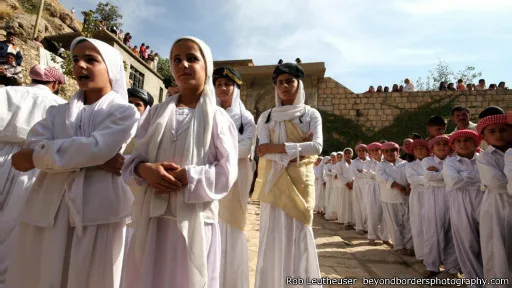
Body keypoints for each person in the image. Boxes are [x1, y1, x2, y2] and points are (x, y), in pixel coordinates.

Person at [7, 37, 139, 288]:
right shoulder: (56, 112)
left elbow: (100, 147)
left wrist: (40, 157)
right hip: (48, 208)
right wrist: (91, 158)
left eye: (90, 59)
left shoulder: (124, 112)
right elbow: (24, 153)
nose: (80, 65)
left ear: (110, 68)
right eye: (76, 59)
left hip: (96, 213)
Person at [121, 37, 238, 288]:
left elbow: (227, 172)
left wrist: (189, 176)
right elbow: (132, 159)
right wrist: (146, 170)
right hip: (153, 221)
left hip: (194, 222)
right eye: (176, 59)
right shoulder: (155, 113)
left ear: (206, 66)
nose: (183, 64)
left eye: (192, 58)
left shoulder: (218, 118)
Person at [252, 61, 323, 288]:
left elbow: (317, 147)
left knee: (300, 230)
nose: (284, 86)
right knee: (272, 233)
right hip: (275, 181)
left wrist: (279, 148)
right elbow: (263, 150)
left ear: (298, 84)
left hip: (301, 182)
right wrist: (295, 149)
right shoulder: (266, 117)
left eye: (289, 81)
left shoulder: (310, 114)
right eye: (280, 82)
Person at [0, 65, 66, 288]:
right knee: (15, 228)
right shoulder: (60, 107)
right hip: (31, 163)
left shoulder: (6, 92)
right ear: (55, 85)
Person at [213, 66, 255, 288]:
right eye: (218, 84)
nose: (222, 88)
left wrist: (217, 152)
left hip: (235, 179)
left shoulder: (245, 118)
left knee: (231, 224)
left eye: (227, 84)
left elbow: (246, 148)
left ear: (236, 88)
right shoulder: (209, 113)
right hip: (211, 177)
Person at [443, 130, 484, 282]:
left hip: (484, 201)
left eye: (467, 140)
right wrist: (477, 178)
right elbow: (453, 181)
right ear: (453, 145)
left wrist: (464, 176)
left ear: (476, 143)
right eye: (458, 141)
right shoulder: (450, 162)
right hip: (460, 204)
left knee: (487, 240)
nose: (463, 144)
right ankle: (473, 280)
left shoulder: (483, 159)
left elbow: (488, 178)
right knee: (467, 242)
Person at [476, 114, 512, 286]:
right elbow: (496, 183)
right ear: (484, 137)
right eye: (492, 131)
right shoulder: (484, 157)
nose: (499, 134)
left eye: (504, 130)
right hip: (495, 205)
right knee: (495, 246)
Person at [421, 135, 460, 278]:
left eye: (445, 144)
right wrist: (450, 174)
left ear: (450, 147)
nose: (442, 147)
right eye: (438, 144)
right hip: (433, 198)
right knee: (433, 232)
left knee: (453, 231)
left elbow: (453, 177)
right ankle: (432, 266)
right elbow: (429, 176)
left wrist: (439, 173)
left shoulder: (454, 160)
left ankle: (452, 267)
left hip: (452, 195)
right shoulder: (427, 160)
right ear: (432, 148)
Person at [377, 142, 413, 256]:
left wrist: (408, 186)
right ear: (382, 153)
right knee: (394, 224)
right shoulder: (381, 165)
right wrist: (398, 186)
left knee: (408, 223)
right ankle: (399, 246)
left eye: (393, 150)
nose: (390, 153)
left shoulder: (405, 164)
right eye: (386, 151)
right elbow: (382, 177)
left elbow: (410, 176)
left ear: (398, 152)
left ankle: (409, 246)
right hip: (390, 198)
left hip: (406, 197)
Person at [405, 139, 429, 261]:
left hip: (432, 194)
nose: (419, 151)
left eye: (422, 148)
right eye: (416, 149)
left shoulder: (433, 162)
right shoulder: (410, 165)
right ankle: (421, 254)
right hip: (417, 196)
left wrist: (425, 179)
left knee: (432, 224)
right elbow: (412, 180)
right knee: (418, 223)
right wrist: (431, 177)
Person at [363, 142, 389, 246]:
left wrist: (377, 175)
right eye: (372, 150)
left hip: (384, 188)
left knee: (386, 213)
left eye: (376, 150)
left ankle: (385, 237)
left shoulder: (386, 162)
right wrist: (379, 176)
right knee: (372, 212)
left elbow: (380, 175)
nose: (374, 152)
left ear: (381, 151)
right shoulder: (368, 163)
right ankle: (372, 236)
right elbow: (368, 174)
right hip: (372, 188)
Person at [351, 144, 369, 234]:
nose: (361, 152)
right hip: (358, 185)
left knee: (367, 205)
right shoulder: (354, 162)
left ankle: (367, 227)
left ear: (366, 151)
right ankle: (359, 227)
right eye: (359, 150)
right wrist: (365, 173)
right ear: (357, 152)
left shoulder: (370, 161)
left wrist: (361, 171)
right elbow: (355, 173)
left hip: (369, 185)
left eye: (363, 150)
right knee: (358, 205)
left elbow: (373, 173)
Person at [338, 148, 355, 230]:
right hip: (345, 186)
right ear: (344, 155)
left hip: (354, 186)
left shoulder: (355, 163)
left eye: (350, 153)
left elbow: (357, 173)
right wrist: (347, 183)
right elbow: (339, 175)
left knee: (354, 204)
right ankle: (347, 222)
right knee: (346, 203)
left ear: (352, 154)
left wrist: (353, 182)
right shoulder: (340, 164)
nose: (348, 155)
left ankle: (354, 221)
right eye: (346, 153)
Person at [323, 152, 338, 221]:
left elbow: (340, 173)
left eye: (334, 157)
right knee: (329, 197)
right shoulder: (328, 165)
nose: (332, 158)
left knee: (336, 198)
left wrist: (332, 173)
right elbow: (327, 173)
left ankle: (337, 214)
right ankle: (329, 213)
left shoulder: (338, 165)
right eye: (331, 157)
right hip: (330, 183)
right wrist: (334, 173)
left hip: (336, 183)